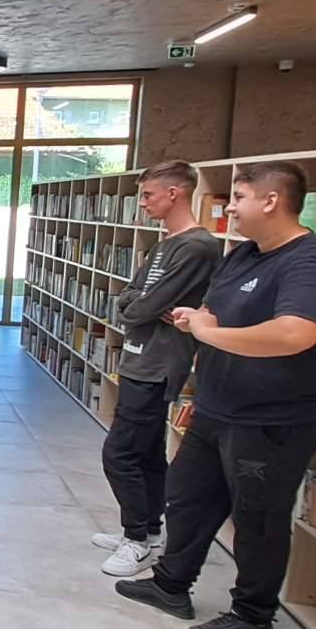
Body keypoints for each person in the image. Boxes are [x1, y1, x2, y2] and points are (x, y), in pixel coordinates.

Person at [115, 160, 316, 629]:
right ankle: (171, 584)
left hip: (276, 415)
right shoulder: (244, 255)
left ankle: (253, 618)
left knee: (258, 515)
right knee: (188, 495)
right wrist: (198, 318)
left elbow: (295, 332)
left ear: (271, 201)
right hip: (220, 405)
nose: (231, 209)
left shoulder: (309, 262)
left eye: (239, 198)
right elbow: (214, 309)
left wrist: (209, 333)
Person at [94, 162, 223, 576]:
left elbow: (138, 307)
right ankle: (148, 531)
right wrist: (141, 305)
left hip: (160, 362)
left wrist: (140, 306)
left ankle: (136, 539)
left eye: (148, 195)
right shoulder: (166, 244)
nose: (143, 203)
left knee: (120, 453)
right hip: (139, 356)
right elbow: (131, 298)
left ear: (174, 193)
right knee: (147, 451)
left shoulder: (197, 247)